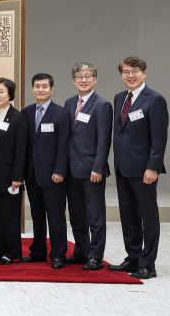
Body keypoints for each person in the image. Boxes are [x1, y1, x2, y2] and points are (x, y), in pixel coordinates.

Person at [108, 56, 168, 280]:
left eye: (134, 71)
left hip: (144, 170)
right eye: (125, 72)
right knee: (128, 215)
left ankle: (148, 264)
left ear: (144, 73)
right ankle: (133, 257)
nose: (130, 75)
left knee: (148, 217)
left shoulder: (155, 100)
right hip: (123, 168)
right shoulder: (119, 98)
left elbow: (159, 138)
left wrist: (153, 167)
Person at [64, 63, 112, 271]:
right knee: (76, 215)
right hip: (71, 170)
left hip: (92, 170)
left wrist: (98, 168)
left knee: (95, 215)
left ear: (95, 79)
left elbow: (104, 140)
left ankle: (97, 256)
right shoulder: (69, 102)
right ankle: (81, 252)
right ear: (73, 80)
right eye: (79, 76)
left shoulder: (102, 105)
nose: (83, 80)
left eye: (88, 76)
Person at [21, 73, 70, 269]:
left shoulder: (61, 113)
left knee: (56, 216)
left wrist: (60, 170)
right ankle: (38, 251)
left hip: (53, 175)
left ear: (52, 89)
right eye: (37, 86)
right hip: (32, 174)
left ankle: (58, 254)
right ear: (32, 89)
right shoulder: (26, 112)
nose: (40, 89)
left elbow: (63, 145)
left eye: (45, 86)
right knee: (37, 215)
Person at [0, 78, 27, 265]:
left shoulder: (18, 117)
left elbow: (21, 149)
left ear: (10, 94)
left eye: (1, 91)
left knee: (9, 216)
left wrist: (17, 177)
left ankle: (10, 252)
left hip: (10, 176)